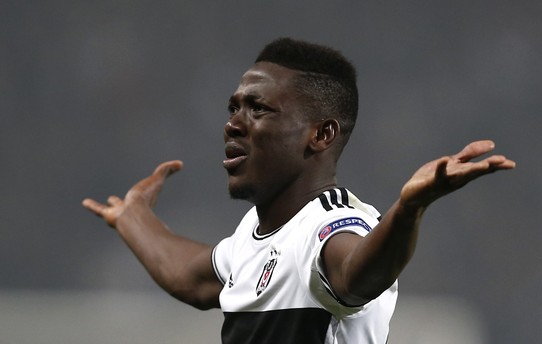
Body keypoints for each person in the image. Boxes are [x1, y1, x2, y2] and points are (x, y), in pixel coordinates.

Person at [82, 37, 515, 343]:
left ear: (321, 135)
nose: (233, 123)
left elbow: (357, 275)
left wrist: (408, 209)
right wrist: (133, 217)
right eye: (234, 107)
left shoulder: (333, 224)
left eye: (259, 109)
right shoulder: (255, 232)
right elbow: (190, 278)